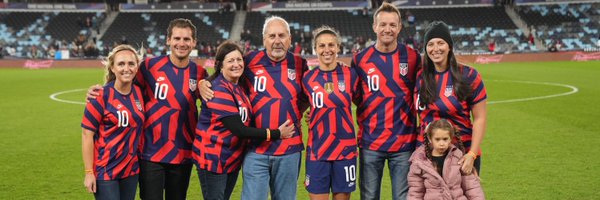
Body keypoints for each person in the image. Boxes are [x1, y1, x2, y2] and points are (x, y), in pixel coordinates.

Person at [87, 18, 207, 200]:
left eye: (186, 39)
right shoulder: (150, 67)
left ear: (194, 43)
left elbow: (213, 103)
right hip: (150, 154)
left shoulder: (199, 74)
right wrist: (100, 91)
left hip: (183, 154)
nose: (181, 43)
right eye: (177, 38)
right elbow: (123, 87)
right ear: (168, 40)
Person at [199, 16, 308, 200]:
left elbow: (307, 95)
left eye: (282, 35)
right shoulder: (249, 60)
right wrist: (204, 82)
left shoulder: (299, 64)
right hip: (255, 149)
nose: (277, 41)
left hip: (289, 149)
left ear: (290, 39)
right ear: (264, 39)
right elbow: (224, 75)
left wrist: (299, 112)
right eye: (272, 36)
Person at [351, 2, 421, 200]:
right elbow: (354, 96)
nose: (387, 29)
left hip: (404, 144)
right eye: (383, 24)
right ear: (374, 26)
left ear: (399, 27)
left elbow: (423, 91)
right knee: (369, 197)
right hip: (370, 143)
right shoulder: (360, 59)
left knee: (403, 197)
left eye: (392, 25)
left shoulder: (413, 57)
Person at [415, 21, 487, 175]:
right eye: (430, 44)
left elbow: (480, 118)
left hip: (462, 155)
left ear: (449, 46)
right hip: (428, 157)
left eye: (441, 43)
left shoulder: (469, 75)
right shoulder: (420, 77)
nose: (435, 49)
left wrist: (472, 154)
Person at [302, 26, 359, 200]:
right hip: (318, 151)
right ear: (315, 49)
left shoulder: (351, 75)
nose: (327, 50)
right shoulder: (307, 79)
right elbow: (301, 106)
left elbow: (364, 104)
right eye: (322, 46)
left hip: (345, 150)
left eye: (331, 45)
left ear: (338, 47)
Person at [81, 44, 144, 200]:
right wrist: (89, 172)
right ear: (112, 68)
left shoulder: (139, 92)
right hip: (106, 172)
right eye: (121, 64)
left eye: (131, 64)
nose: (126, 68)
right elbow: (86, 135)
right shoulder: (100, 96)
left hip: (131, 171)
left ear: (137, 68)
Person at [407, 119, 485, 200]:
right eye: (437, 139)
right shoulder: (419, 162)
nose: (441, 143)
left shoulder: (458, 157)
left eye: (445, 139)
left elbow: (471, 187)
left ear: (450, 139)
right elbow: (415, 191)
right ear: (430, 139)